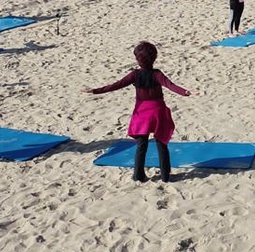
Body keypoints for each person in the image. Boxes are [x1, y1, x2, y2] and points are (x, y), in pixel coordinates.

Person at [82, 42, 194, 183]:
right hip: (158, 112)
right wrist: (186, 92)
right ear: (154, 57)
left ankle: (138, 175)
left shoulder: (135, 74)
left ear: (138, 60)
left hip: (141, 114)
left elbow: (116, 85)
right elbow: (170, 85)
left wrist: (95, 90)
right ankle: (165, 176)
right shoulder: (157, 74)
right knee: (162, 144)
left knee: (141, 146)